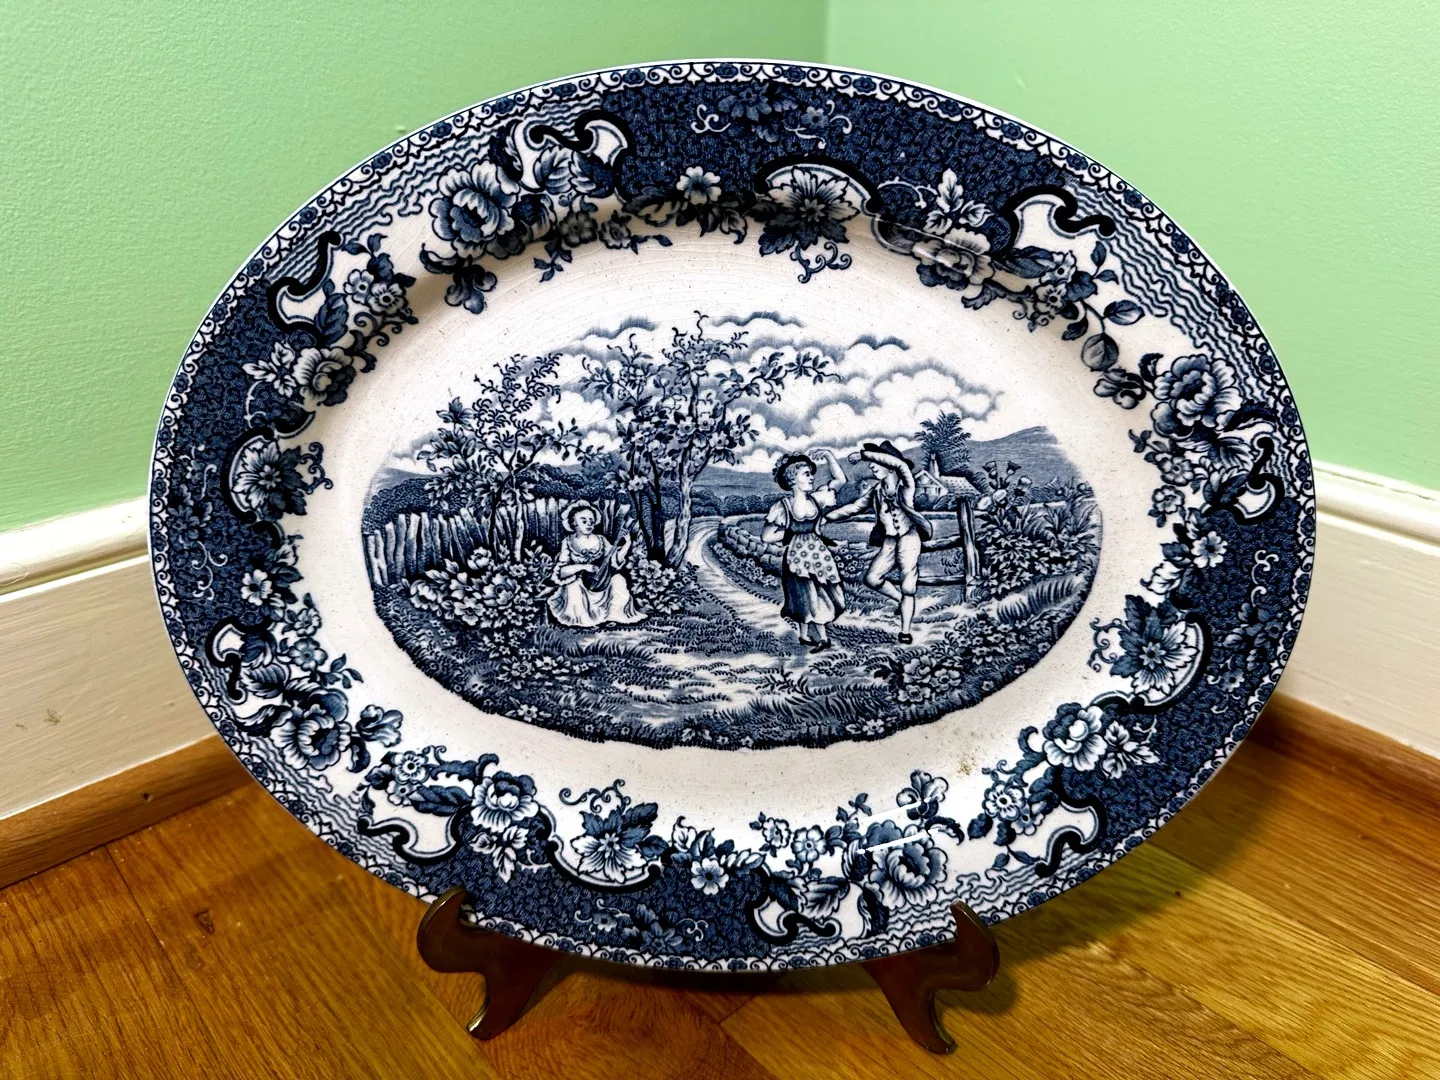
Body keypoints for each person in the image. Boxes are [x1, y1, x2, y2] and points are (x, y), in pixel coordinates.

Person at [824, 440, 932, 644]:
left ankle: (905, 631)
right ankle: (900, 600)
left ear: (889, 465)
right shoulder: (877, 491)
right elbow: (855, 507)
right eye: (871, 463)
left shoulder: (906, 485)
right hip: (890, 541)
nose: (872, 466)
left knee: (908, 585)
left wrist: (864, 455)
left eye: (877, 462)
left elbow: (900, 465)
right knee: (872, 579)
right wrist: (827, 518)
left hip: (909, 538)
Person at [762, 450, 846, 653]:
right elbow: (766, 536)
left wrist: (829, 456)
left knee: (820, 592)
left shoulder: (817, 499)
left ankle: (818, 637)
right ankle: (807, 636)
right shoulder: (783, 506)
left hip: (818, 554)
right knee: (803, 593)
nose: (812, 478)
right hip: (797, 556)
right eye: (806, 474)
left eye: (811, 474)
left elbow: (840, 480)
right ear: (792, 479)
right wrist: (790, 533)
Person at [548, 502, 646, 628]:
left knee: (618, 580)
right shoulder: (568, 542)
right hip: (581, 582)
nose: (589, 524)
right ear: (574, 523)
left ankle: (613, 617)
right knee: (574, 586)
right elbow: (562, 571)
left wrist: (627, 543)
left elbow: (614, 559)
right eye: (584, 521)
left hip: (601, 581)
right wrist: (583, 567)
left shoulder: (601, 540)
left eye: (591, 521)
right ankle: (584, 621)